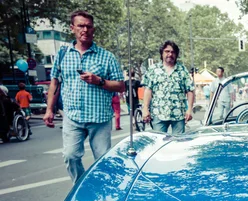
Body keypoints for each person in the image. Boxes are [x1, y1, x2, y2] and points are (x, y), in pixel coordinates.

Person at [43, 10, 125, 183]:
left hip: (99, 117)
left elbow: (120, 85)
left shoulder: (106, 57)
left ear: (93, 29)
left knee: (103, 160)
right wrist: (49, 110)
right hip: (73, 116)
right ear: (72, 28)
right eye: (81, 26)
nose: (85, 30)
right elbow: (55, 83)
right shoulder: (63, 54)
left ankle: (104, 191)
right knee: (70, 156)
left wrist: (99, 81)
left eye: (88, 26)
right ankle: (80, 187)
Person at [142, 40, 194, 134]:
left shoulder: (182, 70)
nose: (170, 54)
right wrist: (145, 109)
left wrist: (189, 109)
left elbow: (190, 90)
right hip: (158, 114)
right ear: (162, 53)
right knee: (158, 143)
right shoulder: (153, 70)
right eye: (167, 51)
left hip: (178, 114)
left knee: (178, 143)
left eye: (173, 52)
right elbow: (148, 90)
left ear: (176, 55)